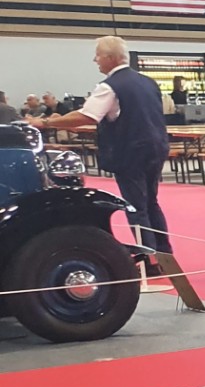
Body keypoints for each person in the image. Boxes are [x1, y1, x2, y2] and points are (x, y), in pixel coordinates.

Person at [32, 36, 172, 259]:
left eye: (97, 55)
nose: (95, 60)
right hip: (156, 147)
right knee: (151, 202)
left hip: (130, 151)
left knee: (137, 206)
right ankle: (164, 252)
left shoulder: (109, 86)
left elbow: (86, 115)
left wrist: (46, 122)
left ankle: (150, 258)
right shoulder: (147, 81)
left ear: (110, 58)